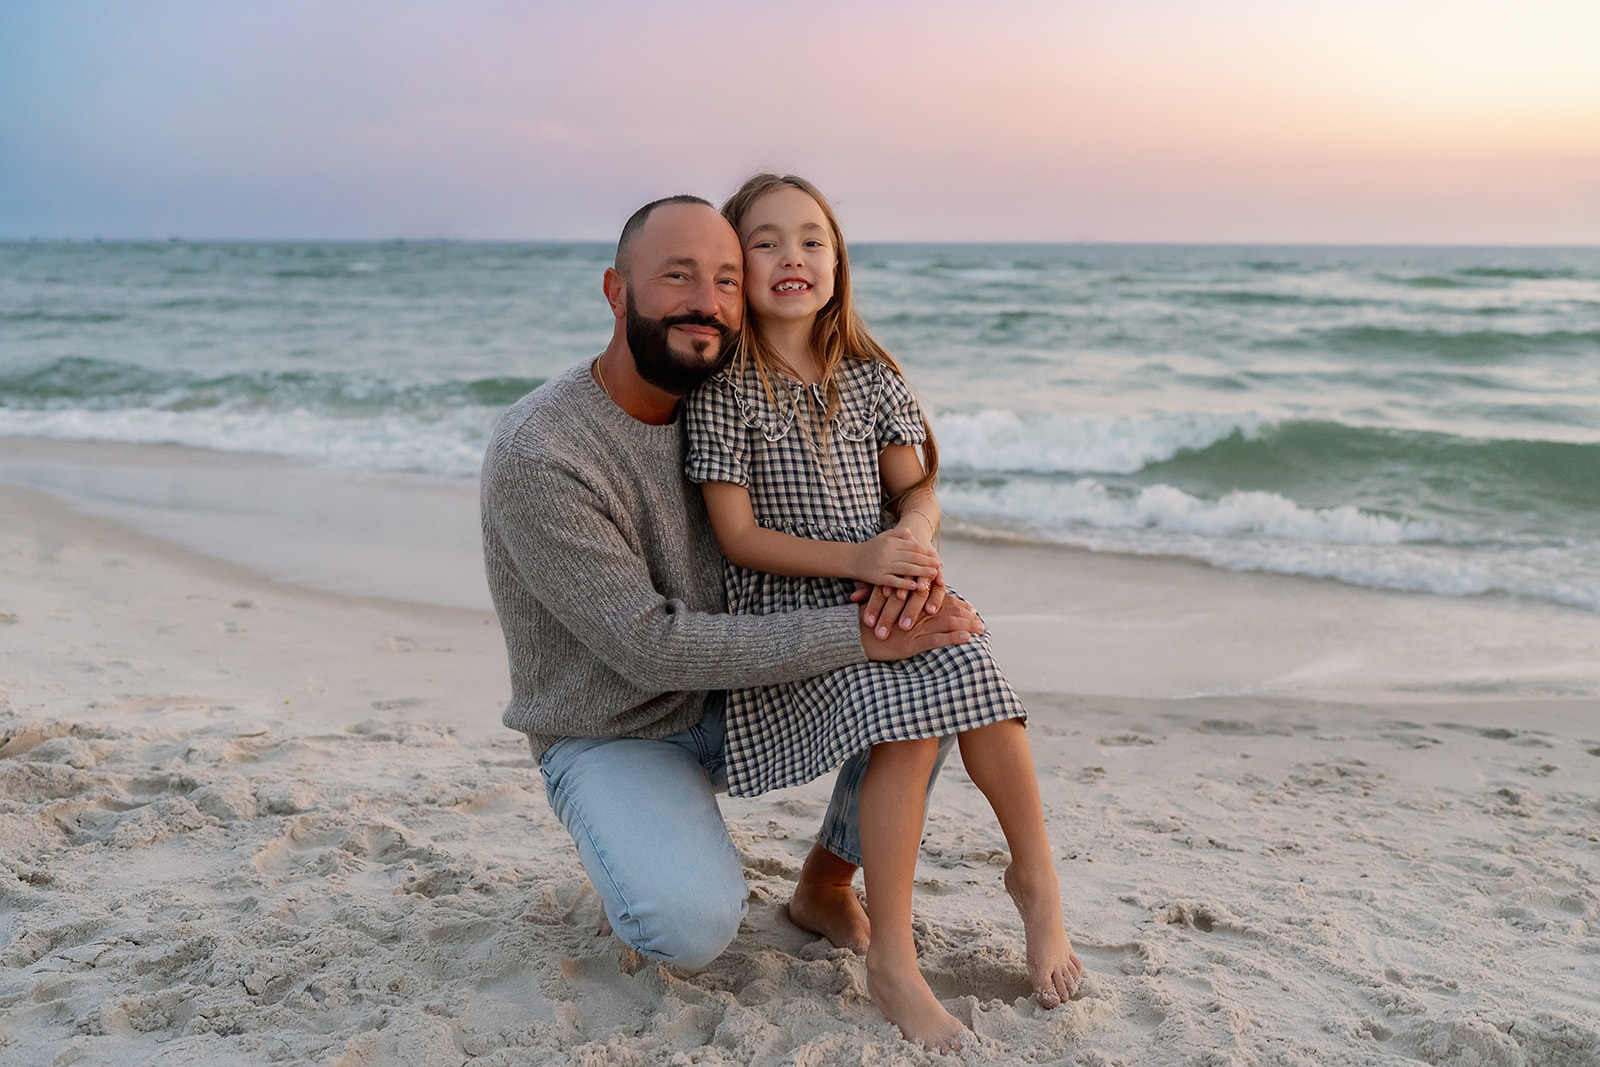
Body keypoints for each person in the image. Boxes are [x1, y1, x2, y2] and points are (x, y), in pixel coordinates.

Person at [479, 195, 984, 975]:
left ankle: (825, 880)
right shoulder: (543, 452)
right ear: (617, 292)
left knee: (937, 664)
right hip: (612, 727)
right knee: (689, 927)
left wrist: (912, 553)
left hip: (734, 696)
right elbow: (650, 647)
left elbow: (889, 495)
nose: (705, 303)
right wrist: (860, 632)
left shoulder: (736, 405)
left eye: (723, 279)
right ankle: (639, 830)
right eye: (677, 277)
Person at [683, 174, 1084, 1051]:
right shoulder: (725, 391)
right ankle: (894, 963)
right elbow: (738, 535)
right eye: (766, 242)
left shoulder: (869, 377)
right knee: (904, 712)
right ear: (733, 267)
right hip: (790, 617)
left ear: (838, 262)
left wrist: (910, 536)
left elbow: (919, 488)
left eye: (812, 240)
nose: (793, 255)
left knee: (972, 663)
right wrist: (858, 560)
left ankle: (1035, 879)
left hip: (880, 588)